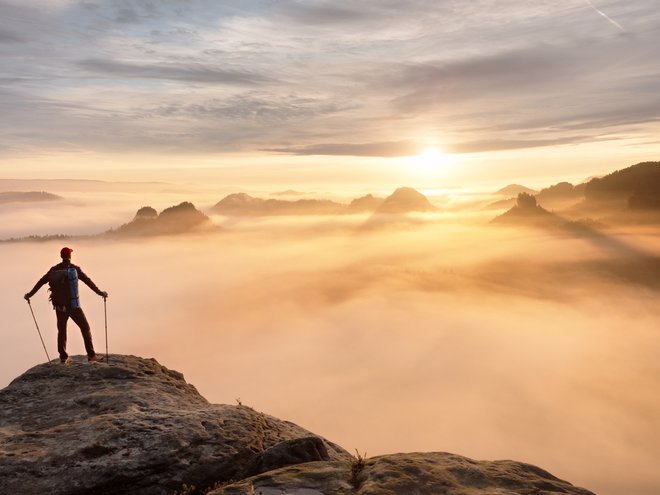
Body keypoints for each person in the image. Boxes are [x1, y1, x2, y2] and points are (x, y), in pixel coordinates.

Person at [24, 247, 108, 365]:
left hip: (59, 307)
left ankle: (63, 358)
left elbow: (41, 282)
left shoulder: (53, 270)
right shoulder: (74, 269)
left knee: (62, 331)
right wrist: (100, 293)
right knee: (85, 328)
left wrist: (30, 294)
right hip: (74, 306)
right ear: (70, 256)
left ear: (61, 256)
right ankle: (91, 355)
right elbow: (88, 281)